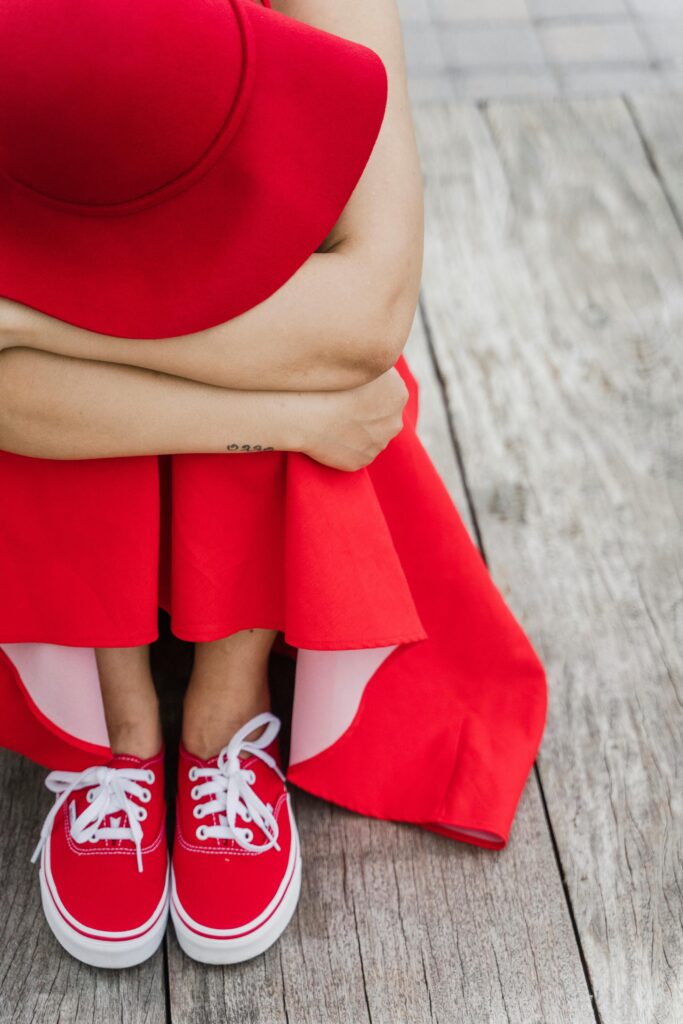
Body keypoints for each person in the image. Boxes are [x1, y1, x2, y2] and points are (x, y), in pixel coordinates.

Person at [0, 0, 547, 971]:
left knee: (296, 337)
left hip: (233, 337)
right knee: (258, 357)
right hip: (73, 387)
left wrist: (42, 325)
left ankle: (221, 718)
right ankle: (115, 735)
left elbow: (367, 316)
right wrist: (285, 421)